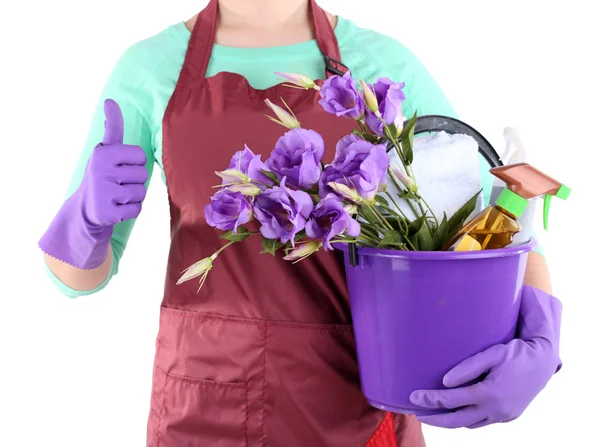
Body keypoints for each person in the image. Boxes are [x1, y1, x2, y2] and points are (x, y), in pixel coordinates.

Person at [38, 0, 563, 445]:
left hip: (359, 412)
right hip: (201, 413)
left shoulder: (380, 63)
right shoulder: (151, 69)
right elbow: (73, 280)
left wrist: (542, 339)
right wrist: (87, 220)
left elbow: (499, 217)